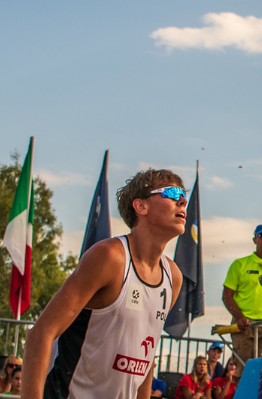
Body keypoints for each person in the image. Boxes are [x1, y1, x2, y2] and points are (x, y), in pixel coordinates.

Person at [22, 169, 188, 399]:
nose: (183, 200)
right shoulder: (109, 257)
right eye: (172, 192)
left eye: (183, 194)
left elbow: (146, 358)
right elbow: (40, 334)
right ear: (140, 206)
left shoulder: (173, 277)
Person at [221, 225, 262, 362]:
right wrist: (239, 317)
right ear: (255, 240)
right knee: (245, 370)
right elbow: (227, 295)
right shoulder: (240, 264)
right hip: (245, 325)